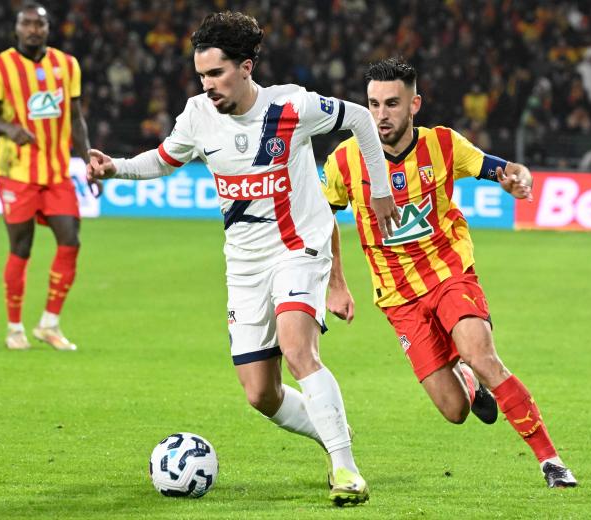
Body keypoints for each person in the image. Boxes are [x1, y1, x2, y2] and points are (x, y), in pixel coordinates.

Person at [86, 12, 399, 506]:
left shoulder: (292, 105)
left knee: (299, 349)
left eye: (216, 73)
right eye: (201, 76)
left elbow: (360, 118)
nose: (207, 85)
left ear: (246, 67)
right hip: (245, 264)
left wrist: (379, 190)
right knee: (261, 394)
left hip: (299, 247)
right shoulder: (196, 115)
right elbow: (165, 159)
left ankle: (346, 469)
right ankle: (331, 428)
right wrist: (115, 168)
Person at [323, 58, 578, 489]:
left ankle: (551, 462)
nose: (380, 115)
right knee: (454, 411)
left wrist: (517, 177)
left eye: (391, 104)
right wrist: (336, 284)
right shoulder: (345, 160)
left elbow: (501, 168)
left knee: (483, 357)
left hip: (449, 273)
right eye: (372, 105)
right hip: (398, 297)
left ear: (414, 104)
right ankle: (466, 381)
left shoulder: (442, 145)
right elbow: (320, 218)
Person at [0, 2, 98, 351]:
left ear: (48, 29)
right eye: (27, 23)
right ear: (17, 28)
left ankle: (49, 323)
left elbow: (76, 119)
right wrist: (9, 129)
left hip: (56, 170)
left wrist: (87, 161)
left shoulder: (67, 64)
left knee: (71, 240)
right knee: (21, 246)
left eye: (39, 25)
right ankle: (14, 328)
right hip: (16, 172)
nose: (33, 29)